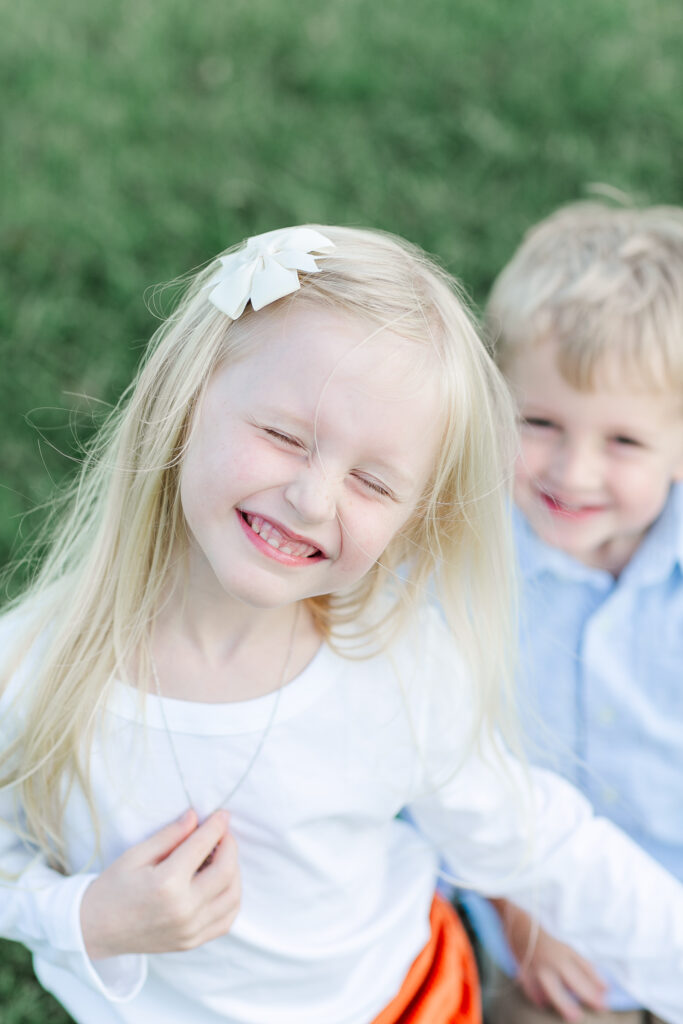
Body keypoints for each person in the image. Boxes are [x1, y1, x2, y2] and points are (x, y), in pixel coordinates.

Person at [1, 224, 682, 1024]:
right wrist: (85, 919)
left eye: (372, 481)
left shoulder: (396, 661)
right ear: (183, 400)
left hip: (406, 1002)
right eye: (285, 436)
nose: (314, 499)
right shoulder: (31, 666)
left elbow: (542, 844)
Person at [463, 202, 683, 1024]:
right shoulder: (463, 570)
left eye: (622, 442)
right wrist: (523, 915)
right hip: (549, 932)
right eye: (540, 423)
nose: (573, 470)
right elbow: (438, 761)